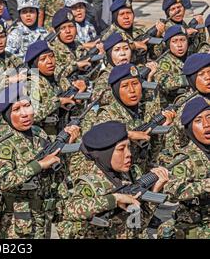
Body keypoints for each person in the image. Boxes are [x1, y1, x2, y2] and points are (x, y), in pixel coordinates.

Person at [0, 82, 80, 238]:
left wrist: (66, 148)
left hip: (42, 216)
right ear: (7, 116)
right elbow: (3, 181)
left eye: (27, 105)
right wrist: (38, 165)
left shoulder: (39, 133)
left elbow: (57, 172)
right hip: (17, 224)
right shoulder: (4, 143)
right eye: (16, 109)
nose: (25, 113)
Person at [63, 121, 169, 238]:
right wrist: (114, 199)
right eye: (121, 149)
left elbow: (138, 225)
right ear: (106, 154)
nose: (128, 154)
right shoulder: (92, 183)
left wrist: (154, 193)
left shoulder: (131, 174)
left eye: (128, 147)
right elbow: (69, 210)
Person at [160, 97, 210, 239]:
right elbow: (171, 189)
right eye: (198, 121)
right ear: (189, 129)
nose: (207, 125)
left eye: (209, 117)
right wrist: (205, 185)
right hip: (198, 223)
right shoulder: (185, 158)